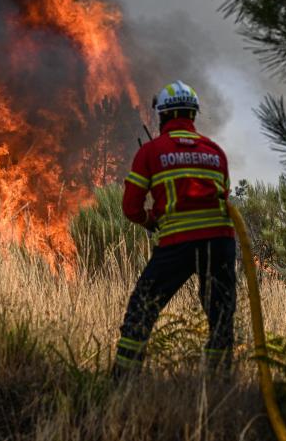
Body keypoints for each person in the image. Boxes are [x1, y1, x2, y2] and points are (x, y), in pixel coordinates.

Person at [113, 80, 236, 380]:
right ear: (192, 115)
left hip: (178, 244)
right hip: (220, 243)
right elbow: (222, 197)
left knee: (143, 308)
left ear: (163, 116)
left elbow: (131, 207)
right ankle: (219, 381)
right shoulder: (215, 151)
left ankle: (122, 382)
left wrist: (151, 219)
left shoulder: (153, 152)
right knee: (221, 315)